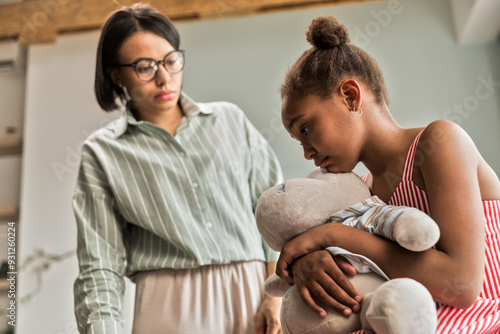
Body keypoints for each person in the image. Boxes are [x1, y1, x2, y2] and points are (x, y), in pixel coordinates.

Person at [276, 15, 500, 333]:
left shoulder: (440, 143)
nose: (307, 152)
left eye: (307, 128)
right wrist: (308, 261)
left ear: (350, 96)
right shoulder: (361, 193)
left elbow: (462, 286)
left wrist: (332, 236)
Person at [72, 3, 283, 334]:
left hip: (255, 292)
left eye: (171, 60)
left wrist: (276, 297)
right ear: (116, 75)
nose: (164, 77)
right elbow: (100, 265)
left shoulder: (230, 120)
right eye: (145, 67)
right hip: (169, 304)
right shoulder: (103, 152)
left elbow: (274, 208)